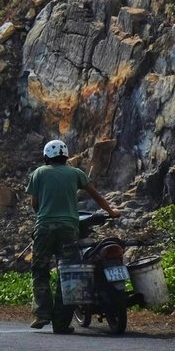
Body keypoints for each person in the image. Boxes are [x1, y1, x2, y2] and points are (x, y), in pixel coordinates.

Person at [26, 138, 121, 333]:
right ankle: (61, 323)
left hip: (44, 227)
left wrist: (46, 213)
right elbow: (96, 195)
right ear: (66, 156)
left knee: (40, 270)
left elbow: (35, 205)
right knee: (67, 272)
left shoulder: (38, 173)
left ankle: (42, 313)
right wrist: (111, 212)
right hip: (69, 229)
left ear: (46, 157)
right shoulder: (76, 173)